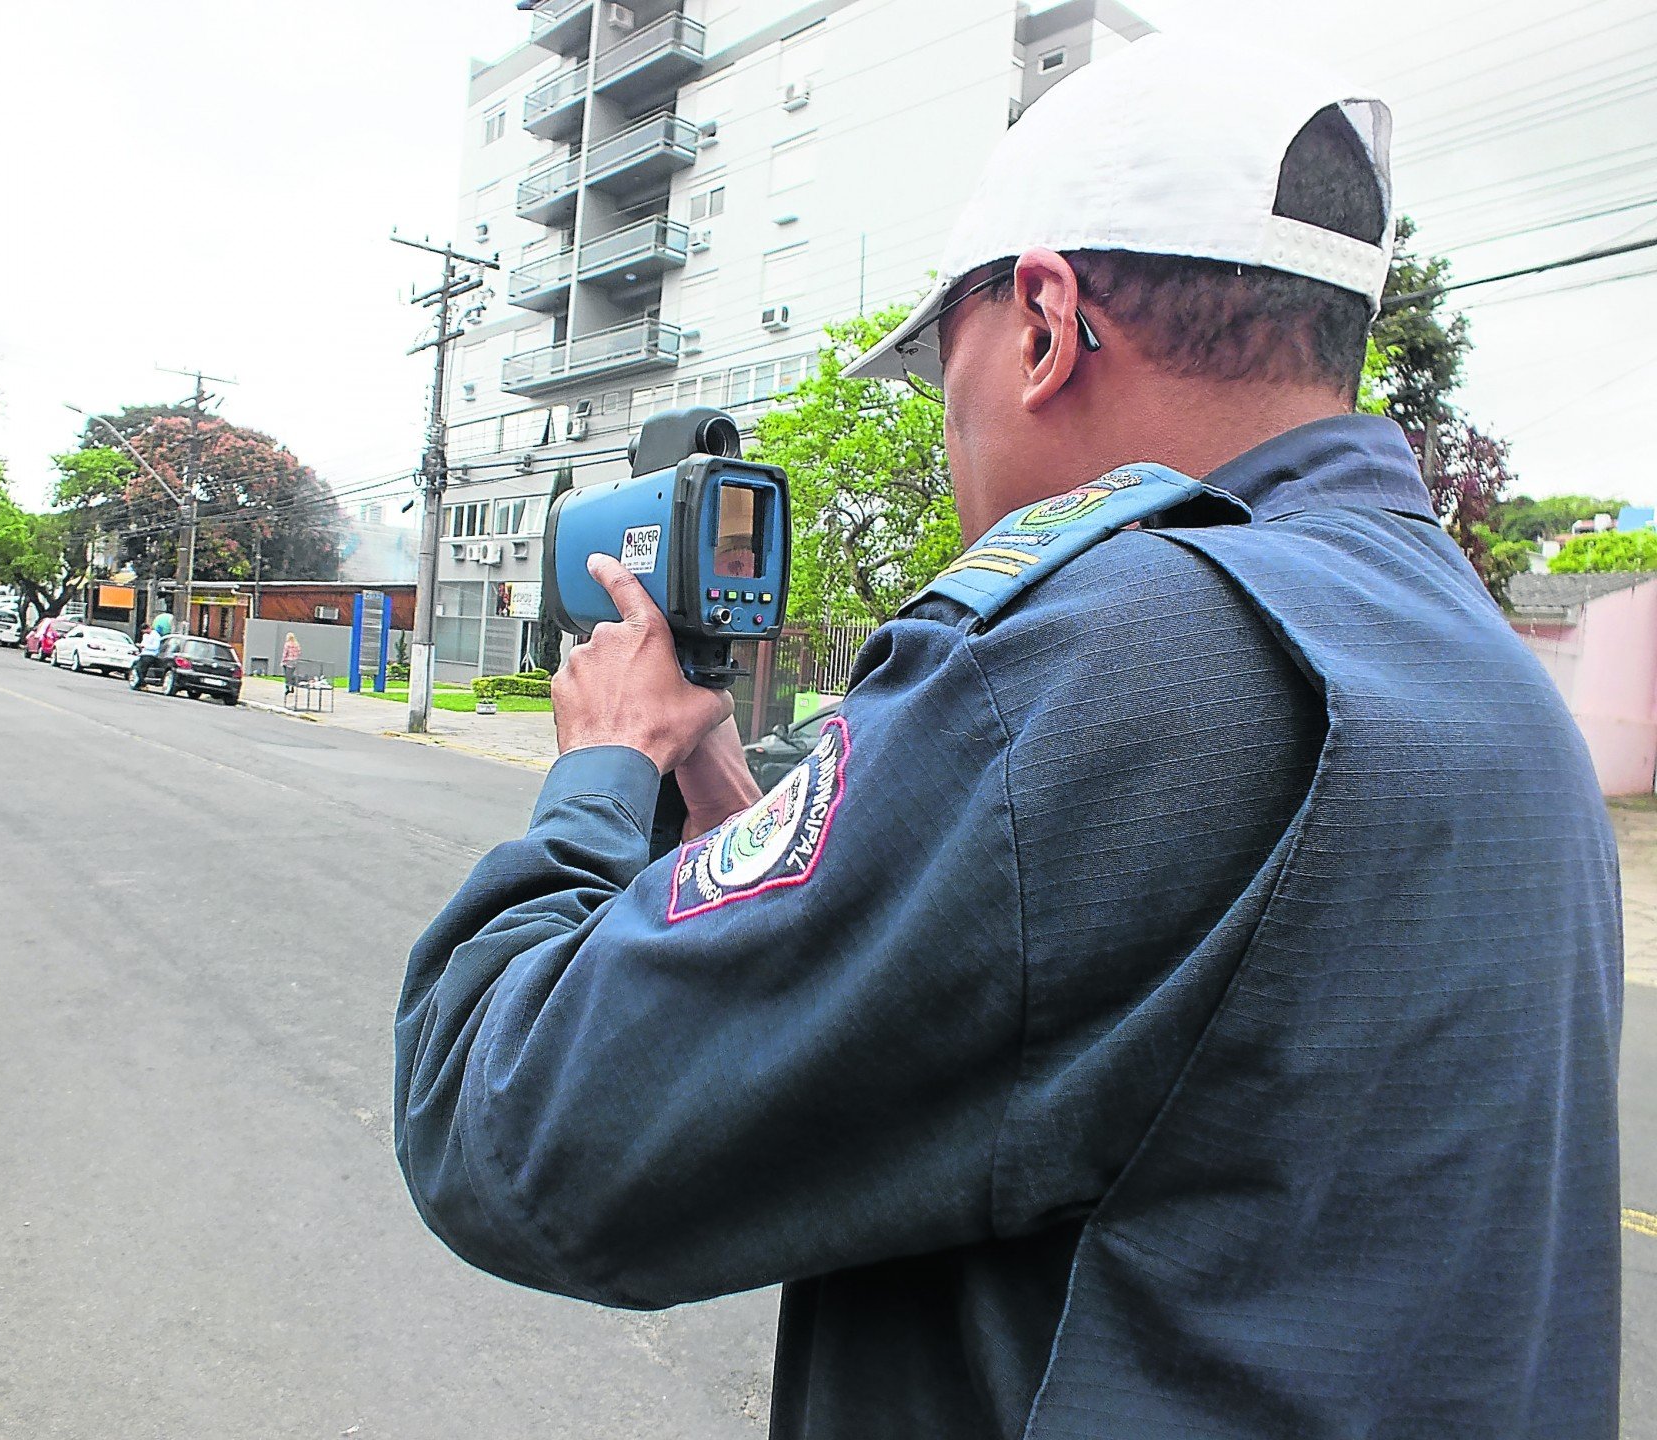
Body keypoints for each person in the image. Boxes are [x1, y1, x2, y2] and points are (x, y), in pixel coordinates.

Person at [394, 34, 1620, 1439]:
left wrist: (599, 772)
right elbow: (1079, 1010)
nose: (950, 430)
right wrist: (738, 804)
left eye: (942, 373)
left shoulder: (1117, 651)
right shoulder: (1477, 662)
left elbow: (508, 1121)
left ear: (1043, 321)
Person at [282, 631, 302, 696]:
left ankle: (287, 688)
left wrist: (283, 661)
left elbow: (285, 653)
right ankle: (292, 686)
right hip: (294, 661)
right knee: (292, 674)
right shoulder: (297, 644)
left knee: (287, 675)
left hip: (287, 661)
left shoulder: (287, 644)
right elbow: (299, 652)